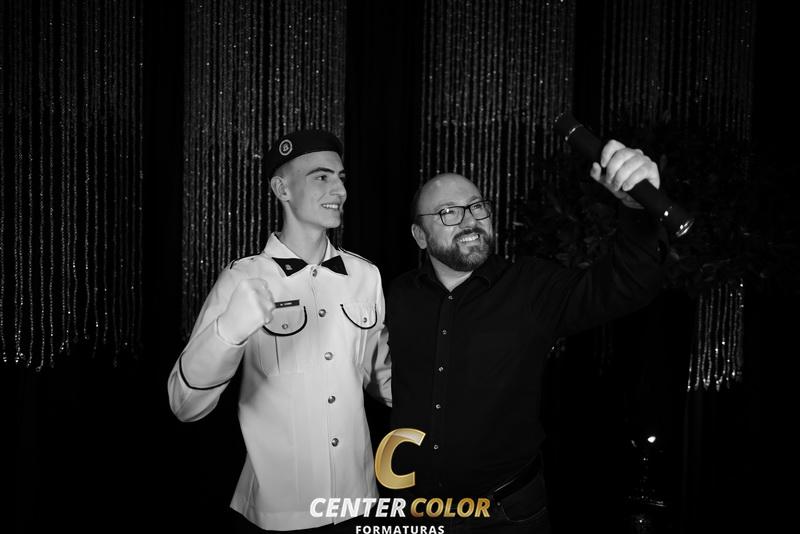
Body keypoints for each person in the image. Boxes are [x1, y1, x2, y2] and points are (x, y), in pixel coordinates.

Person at [385, 140, 667, 533]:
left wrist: (637, 208)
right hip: (413, 512)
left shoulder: (530, 286)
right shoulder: (395, 296)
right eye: (448, 212)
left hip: (507, 516)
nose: (470, 220)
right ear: (419, 235)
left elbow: (627, 285)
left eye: (477, 206)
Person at [167, 130, 391, 533]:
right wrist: (228, 331)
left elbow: (379, 376)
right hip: (278, 515)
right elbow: (185, 404)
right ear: (281, 188)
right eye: (321, 177)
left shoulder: (366, 276)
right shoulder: (243, 278)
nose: (340, 190)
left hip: (359, 503)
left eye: (341, 177)